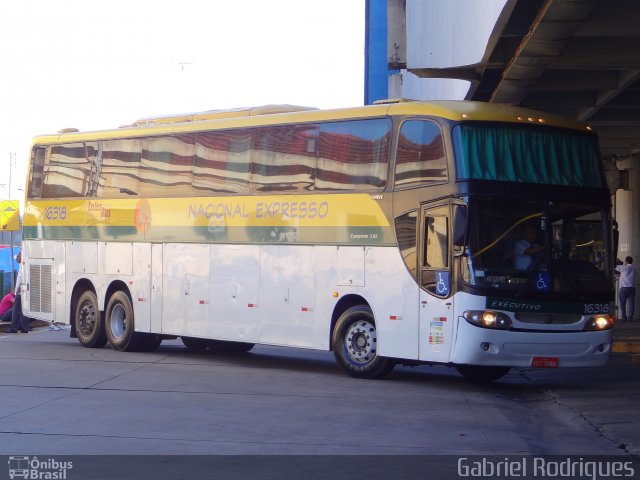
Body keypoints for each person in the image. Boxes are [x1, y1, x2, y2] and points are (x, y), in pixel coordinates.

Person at [9, 252, 31, 333]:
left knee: (16, 309)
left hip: (21, 289)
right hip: (27, 290)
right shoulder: (27, 263)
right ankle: (24, 327)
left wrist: (16, 289)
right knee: (24, 309)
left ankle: (14, 328)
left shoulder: (22, 264)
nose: (16, 259)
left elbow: (20, 278)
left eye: (17, 257)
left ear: (21, 257)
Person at [616, 256, 635, 322]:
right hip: (632, 288)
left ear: (626, 261)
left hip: (624, 288)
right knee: (631, 304)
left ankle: (624, 318)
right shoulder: (634, 268)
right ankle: (631, 318)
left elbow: (616, 267)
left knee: (622, 304)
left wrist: (618, 262)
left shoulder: (624, 267)